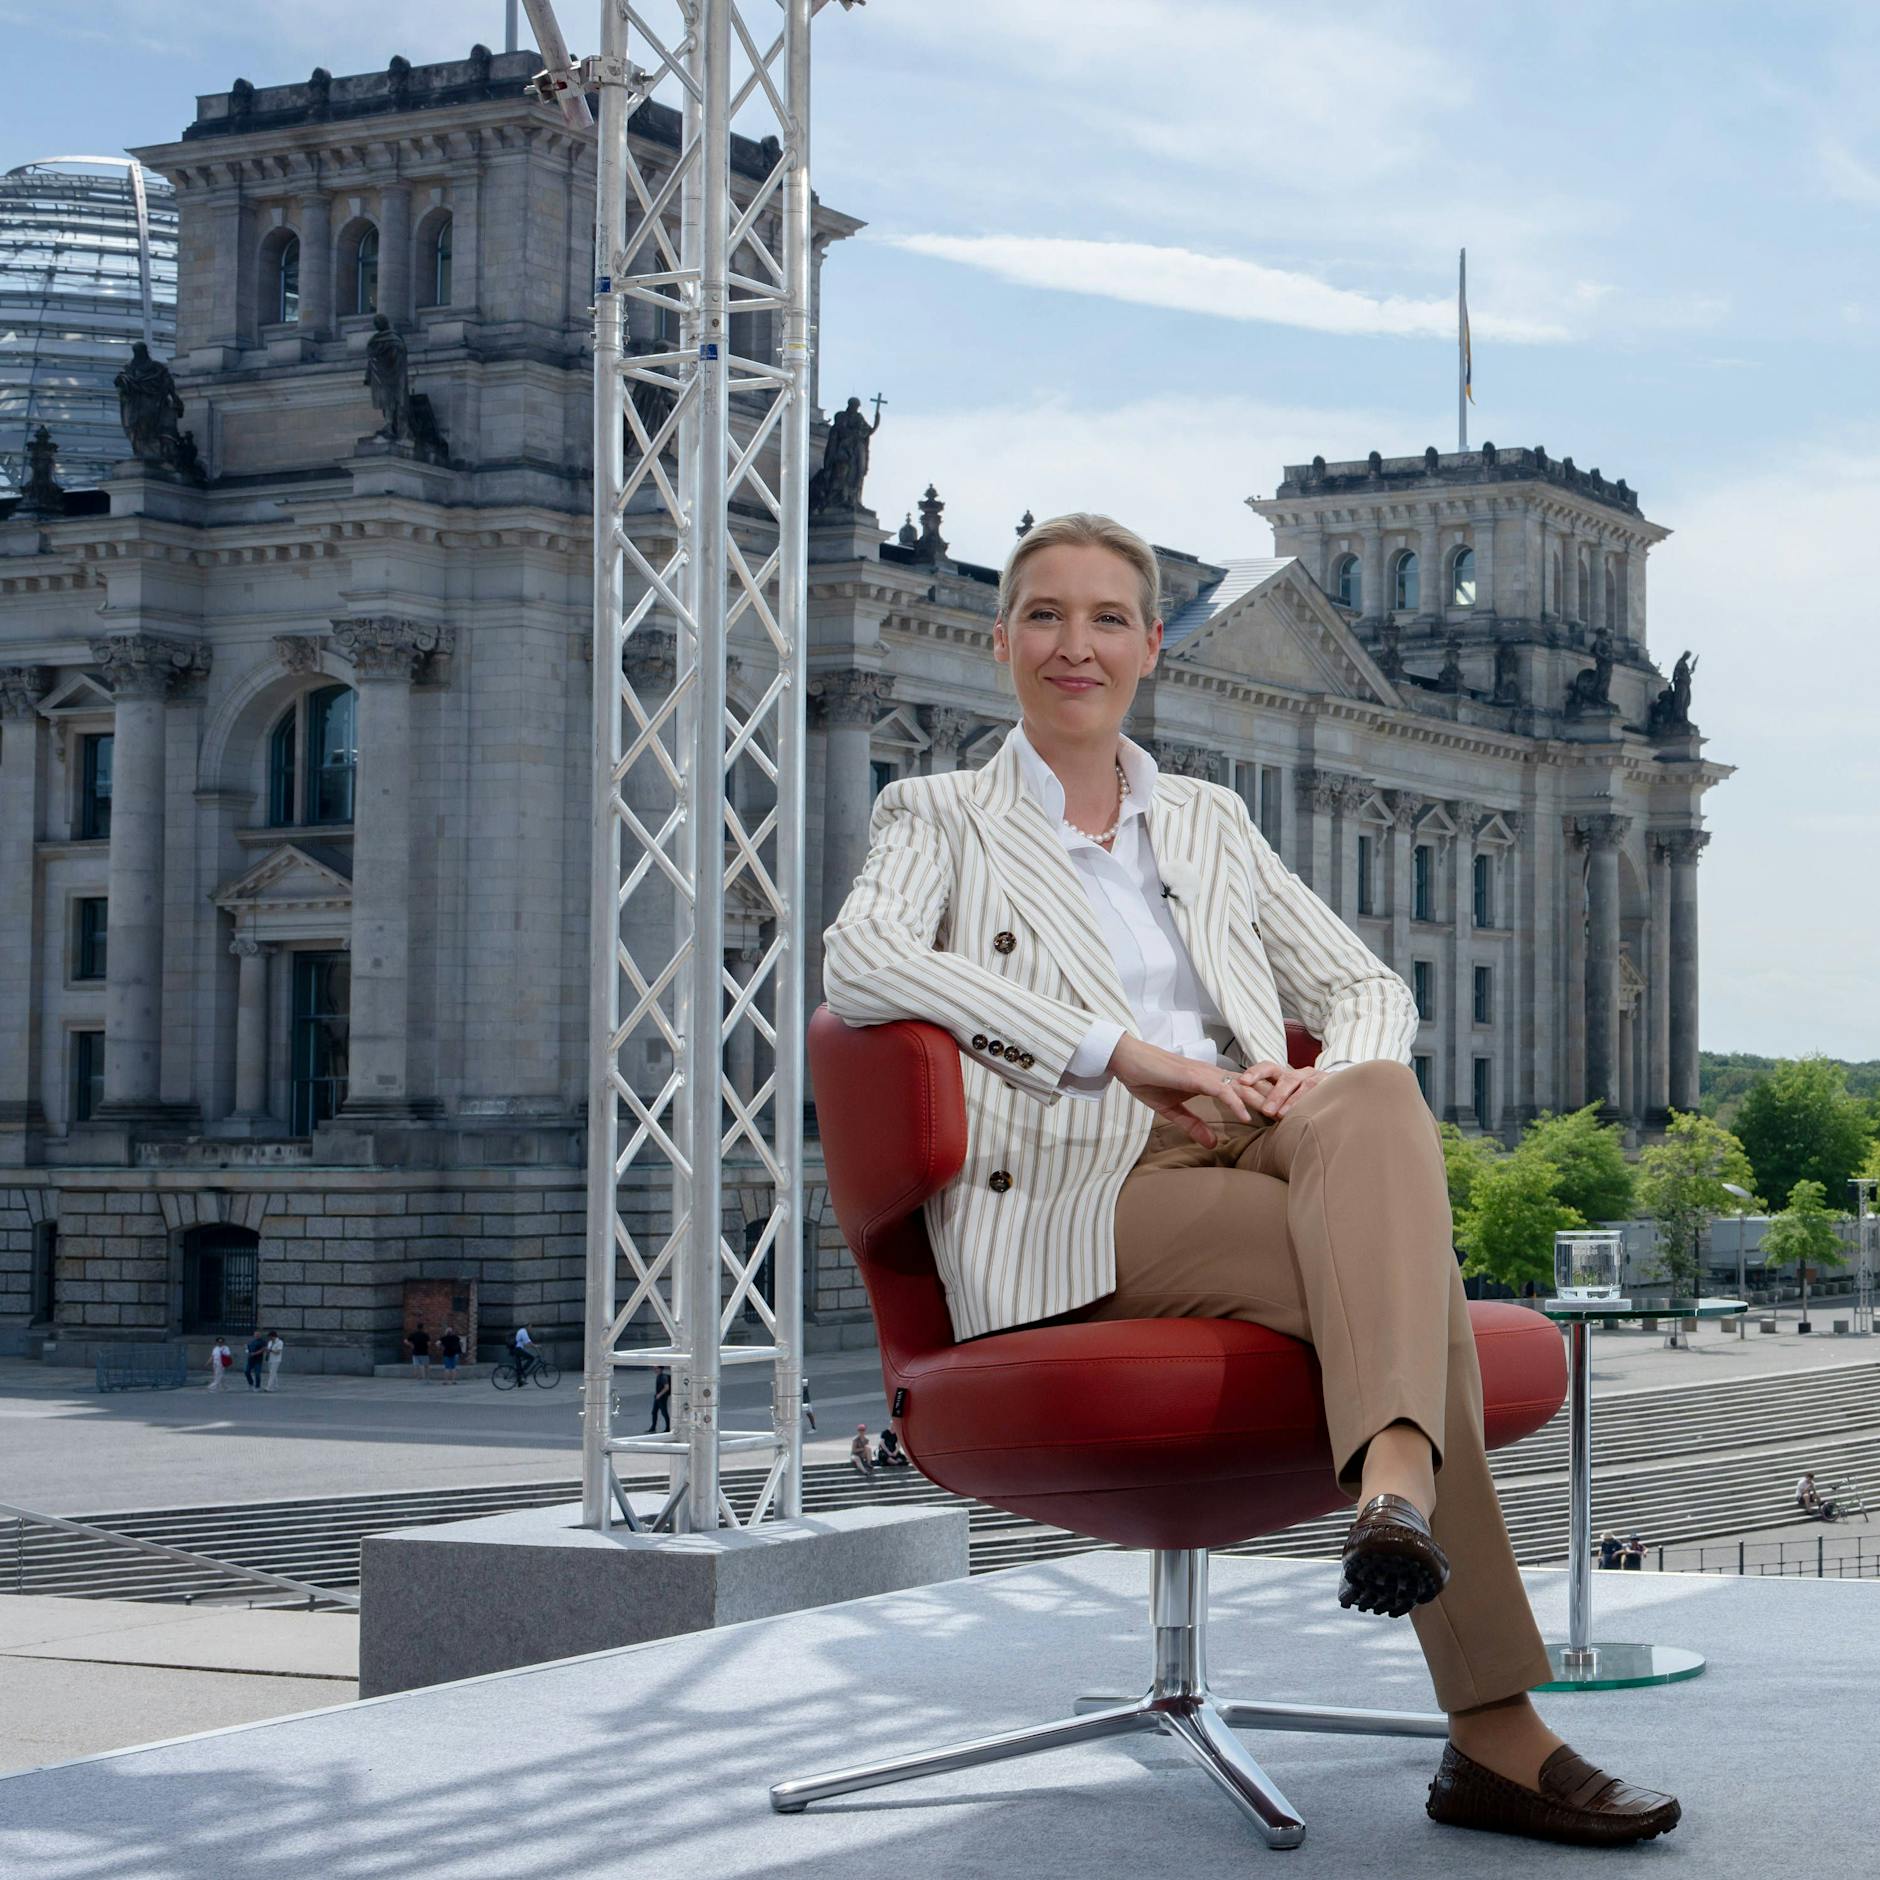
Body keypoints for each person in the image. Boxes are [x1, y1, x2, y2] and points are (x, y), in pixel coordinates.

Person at [821, 511, 1679, 1848]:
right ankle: (1494, 1732)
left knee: (1377, 1087)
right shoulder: (935, 811)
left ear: (1153, 647)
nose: (1075, 645)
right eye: (1045, 615)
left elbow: (1367, 984)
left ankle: (1394, 1481)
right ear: (999, 644)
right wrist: (1129, 1057)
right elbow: (862, 962)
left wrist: (1310, 1075)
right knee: (1404, 1297)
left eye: (1108, 619)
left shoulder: (1208, 820)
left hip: (1246, 1135)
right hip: (1068, 1185)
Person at [648, 1366, 672, 1432]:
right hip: (658, 1397)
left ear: (660, 1369)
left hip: (662, 1397)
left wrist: (659, 1394)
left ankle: (668, 1428)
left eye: (656, 1368)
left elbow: (667, 1387)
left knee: (664, 1413)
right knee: (654, 1412)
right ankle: (653, 1427)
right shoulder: (658, 1376)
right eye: (654, 1368)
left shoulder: (663, 1377)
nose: (654, 1370)